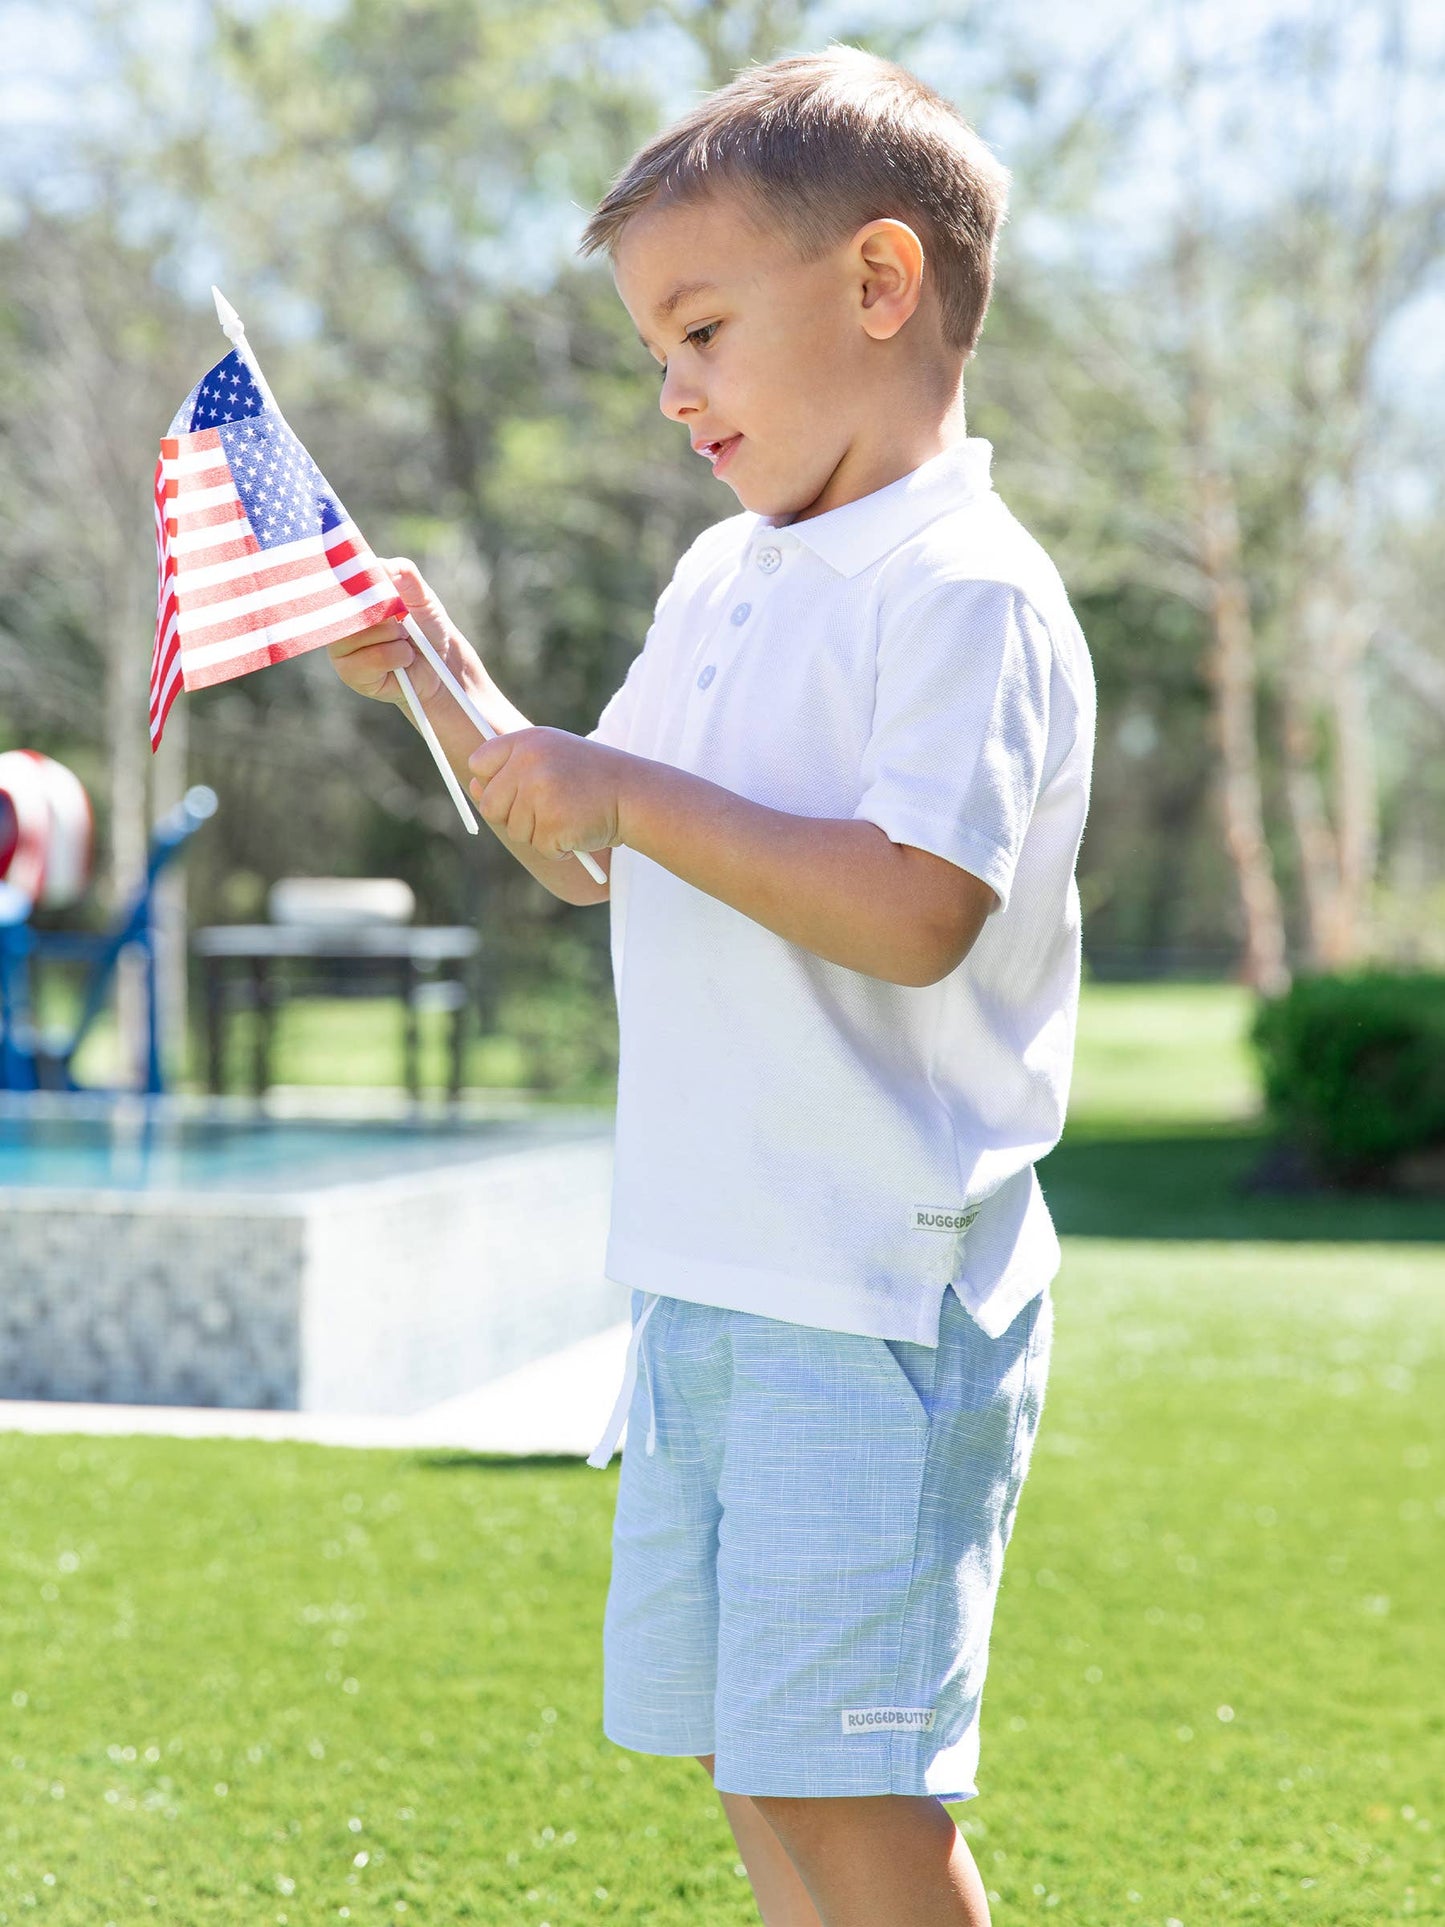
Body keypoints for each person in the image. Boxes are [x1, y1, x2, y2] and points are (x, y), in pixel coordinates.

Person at [330, 44, 1095, 1927]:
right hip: (714, 1272)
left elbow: (917, 905)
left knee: (845, 1791)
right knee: (750, 1759)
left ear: (878, 283)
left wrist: (627, 786)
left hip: (868, 1289)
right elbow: (585, 838)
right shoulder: (725, 576)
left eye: (699, 330)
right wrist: (444, 688)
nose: (672, 391)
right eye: (653, 350)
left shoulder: (962, 587)